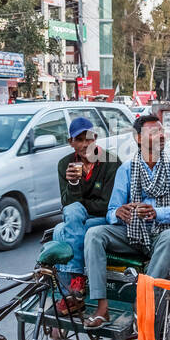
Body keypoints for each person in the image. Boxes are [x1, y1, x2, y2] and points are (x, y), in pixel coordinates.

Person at [82, 115, 170, 329]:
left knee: (169, 237)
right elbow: (112, 211)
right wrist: (119, 213)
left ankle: (144, 300)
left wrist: (156, 212)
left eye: (161, 131)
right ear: (139, 138)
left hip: (161, 231)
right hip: (131, 233)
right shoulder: (127, 169)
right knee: (94, 234)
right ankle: (102, 307)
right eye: (154, 132)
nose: (161, 136)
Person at [50, 117, 119, 314]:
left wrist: (81, 206)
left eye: (88, 139)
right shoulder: (65, 164)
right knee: (63, 223)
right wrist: (73, 184)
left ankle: (70, 289)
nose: (84, 144)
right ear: (70, 142)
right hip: (79, 216)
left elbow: (107, 205)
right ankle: (73, 291)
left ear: (95, 138)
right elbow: (67, 203)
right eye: (78, 140)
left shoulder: (110, 163)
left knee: (62, 230)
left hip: (103, 219)